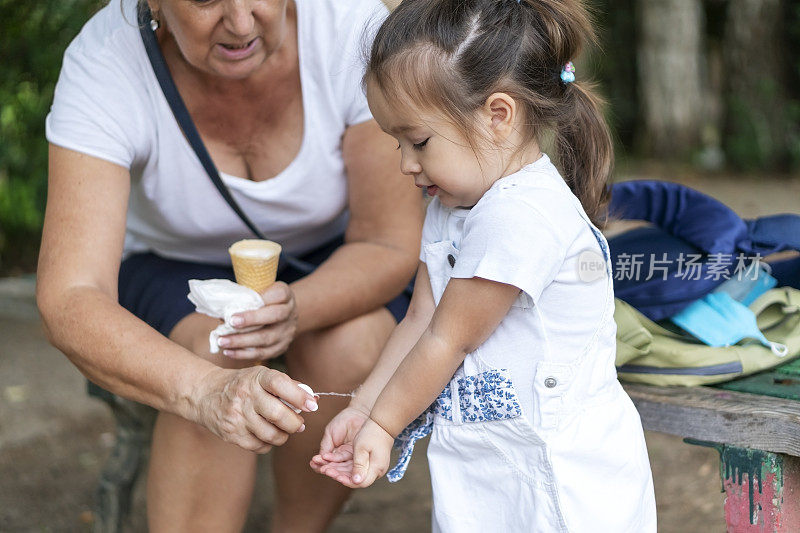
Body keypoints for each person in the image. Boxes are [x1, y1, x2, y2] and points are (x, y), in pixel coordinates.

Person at [36, 0, 422, 530]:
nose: (241, 23)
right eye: (205, 0)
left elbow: (388, 242)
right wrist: (205, 393)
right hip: (175, 263)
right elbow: (70, 295)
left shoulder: (351, 29)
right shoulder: (106, 61)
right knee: (220, 352)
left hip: (335, 257)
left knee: (351, 347)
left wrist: (298, 308)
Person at [310, 0, 658, 530]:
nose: (406, 163)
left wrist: (383, 425)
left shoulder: (520, 217)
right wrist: (364, 408)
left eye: (419, 141)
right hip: (488, 468)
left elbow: (448, 339)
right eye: (396, 143)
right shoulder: (450, 208)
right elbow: (419, 321)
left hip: (558, 482)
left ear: (498, 115)